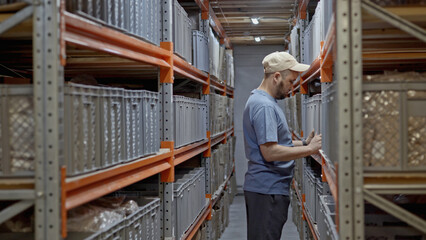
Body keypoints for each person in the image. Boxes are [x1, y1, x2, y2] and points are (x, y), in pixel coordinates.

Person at [243, 51, 322, 240]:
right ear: (276, 77)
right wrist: (309, 150)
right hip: (267, 191)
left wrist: (303, 143)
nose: (292, 87)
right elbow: (270, 152)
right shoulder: (264, 107)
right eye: (291, 81)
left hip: (266, 189)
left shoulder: (262, 101)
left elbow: (275, 142)